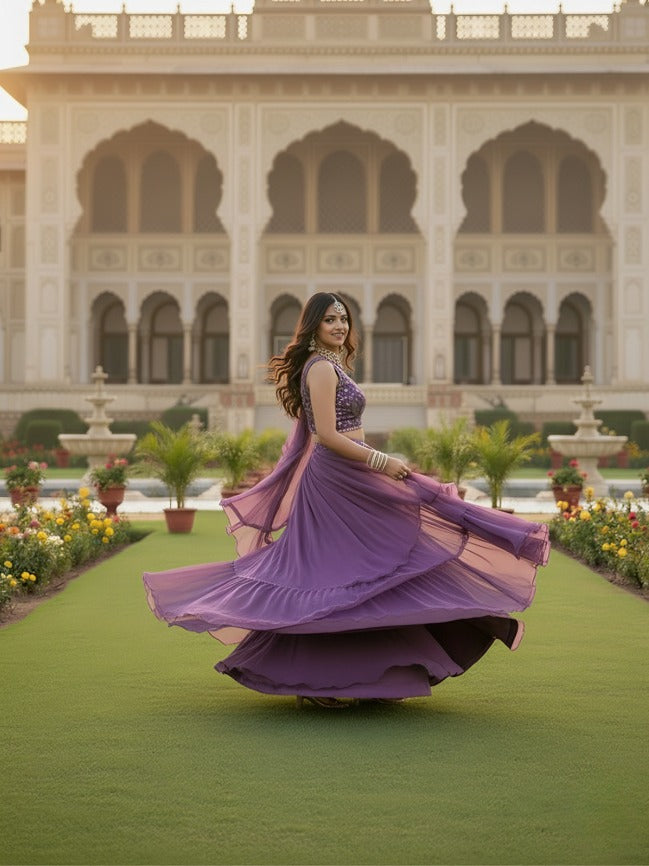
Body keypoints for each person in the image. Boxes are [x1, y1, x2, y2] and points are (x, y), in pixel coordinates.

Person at [143, 292, 549, 709]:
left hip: (354, 475)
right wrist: (381, 460)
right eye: (330, 320)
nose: (339, 326)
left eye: (344, 319)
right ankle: (322, 680)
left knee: (370, 572)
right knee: (333, 576)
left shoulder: (334, 365)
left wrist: (375, 463)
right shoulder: (320, 368)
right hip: (336, 481)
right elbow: (327, 436)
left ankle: (376, 674)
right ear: (314, 326)